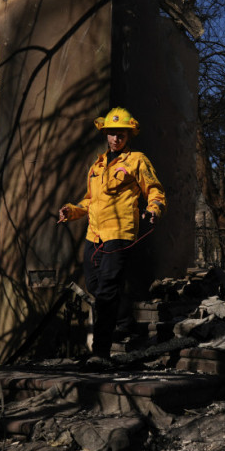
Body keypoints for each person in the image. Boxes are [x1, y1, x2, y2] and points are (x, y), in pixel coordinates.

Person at [58, 107, 166, 364]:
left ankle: (101, 352)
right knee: (95, 286)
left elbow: (154, 190)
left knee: (106, 291)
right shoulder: (97, 165)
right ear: (105, 134)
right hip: (93, 235)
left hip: (120, 233)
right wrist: (71, 211)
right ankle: (125, 321)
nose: (116, 138)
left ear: (128, 135)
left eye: (121, 134)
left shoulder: (137, 160)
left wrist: (153, 209)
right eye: (112, 133)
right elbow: (89, 201)